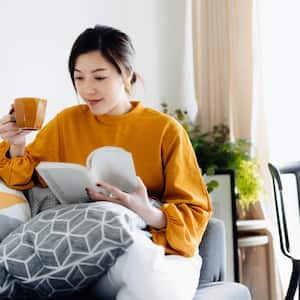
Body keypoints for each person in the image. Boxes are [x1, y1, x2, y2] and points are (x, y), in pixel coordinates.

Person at [0, 25, 212, 300]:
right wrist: (17, 144)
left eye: (100, 77)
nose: (88, 89)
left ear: (126, 75)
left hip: (152, 241)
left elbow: (195, 212)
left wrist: (145, 210)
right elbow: (22, 177)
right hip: (86, 250)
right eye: (79, 78)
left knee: (144, 269)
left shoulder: (165, 130)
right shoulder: (67, 122)